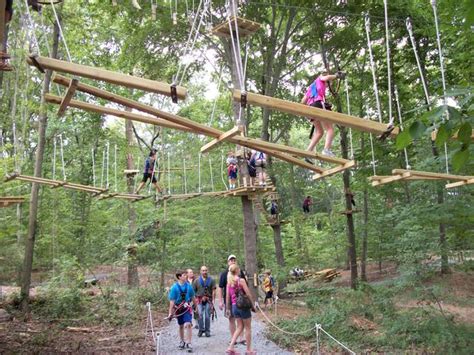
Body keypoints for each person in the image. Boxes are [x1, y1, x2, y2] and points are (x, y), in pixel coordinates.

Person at [301, 71, 346, 161]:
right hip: (318, 105)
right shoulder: (320, 79)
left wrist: (305, 112)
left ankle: (308, 152)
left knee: (319, 132)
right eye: (328, 85)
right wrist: (336, 75)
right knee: (330, 129)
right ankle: (326, 150)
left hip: (310, 108)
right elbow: (325, 78)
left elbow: (303, 101)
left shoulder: (311, 87)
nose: (327, 87)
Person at [225, 263, 256, 355]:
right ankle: (249, 350)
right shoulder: (241, 280)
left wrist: (228, 308)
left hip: (234, 306)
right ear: (237, 271)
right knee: (248, 328)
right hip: (243, 306)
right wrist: (252, 305)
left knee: (239, 327)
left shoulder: (229, 283)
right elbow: (248, 293)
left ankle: (231, 347)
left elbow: (227, 297)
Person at [218, 255, 247, 346]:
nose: (233, 261)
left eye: (234, 260)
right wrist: (220, 301)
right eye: (231, 260)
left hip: (241, 299)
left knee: (241, 318)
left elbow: (245, 284)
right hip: (229, 300)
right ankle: (234, 338)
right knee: (231, 319)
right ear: (228, 262)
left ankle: (242, 338)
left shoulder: (240, 272)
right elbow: (220, 287)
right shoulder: (224, 273)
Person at [168, 270, 196, 352]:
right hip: (178, 309)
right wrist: (170, 312)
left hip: (186, 308)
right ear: (179, 277)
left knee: (188, 324)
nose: (186, 276)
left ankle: (189, 342)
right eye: (184, 275)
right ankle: (182, 341)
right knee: (181, 325)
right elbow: (172, 301)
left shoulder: (189, 286)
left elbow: (193, 297)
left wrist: (196, 307)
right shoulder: (174, 288)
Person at [192, 265, 216, 338]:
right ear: (200, 271)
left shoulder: (211, 280)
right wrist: (196, 300)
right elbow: (193, 292)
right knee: (200, 315)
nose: (204, 272)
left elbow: (214, 290)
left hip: (208, 300)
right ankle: (201, 329)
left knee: (207, 316)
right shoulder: (196, 281)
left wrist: (213, 300)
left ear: (207, 271)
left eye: (205, 270)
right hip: (199, 300)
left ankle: (207, 331)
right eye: (203, 270)